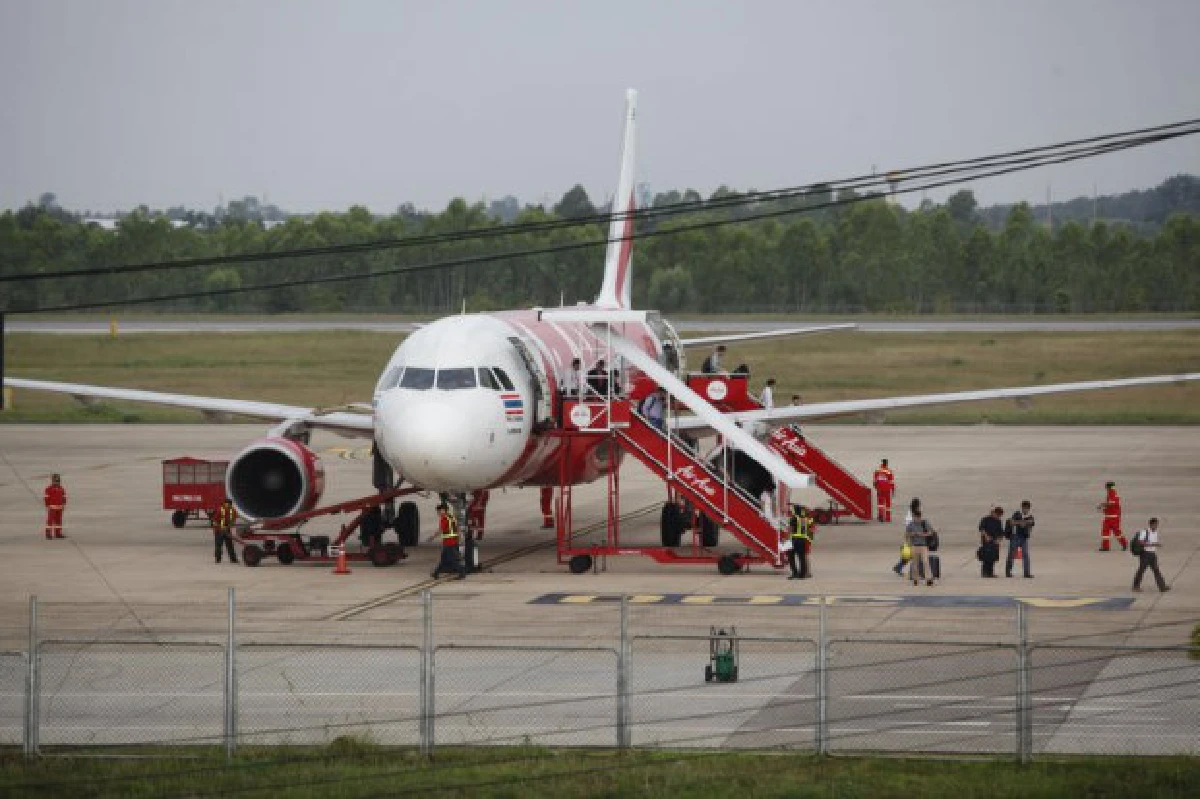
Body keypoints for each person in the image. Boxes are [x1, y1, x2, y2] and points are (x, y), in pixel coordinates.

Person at [1131, 517, 1170, 593]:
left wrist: (1155, 545)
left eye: (1157, 524)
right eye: (1155, 524)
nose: (1157, 526)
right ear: (1151, 524)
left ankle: (1162, 587)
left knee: (1156, 570)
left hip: (1152, 554)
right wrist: (1153, 544)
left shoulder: (1155, 532)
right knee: (1141, 570)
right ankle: (1135, 586)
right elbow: (1141, 542)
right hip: (1145, 554)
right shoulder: (1144, 532)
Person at [431, 502, 465, 579]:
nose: (438, 513)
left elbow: (440, 530)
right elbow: (458, 528)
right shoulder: (451, 517)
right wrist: (459, 538)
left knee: (453, 559)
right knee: (443, 559)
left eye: (439, 511)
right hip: (453, 541)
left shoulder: (444, 519)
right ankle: (436, 573)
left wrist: (432, 537)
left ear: (443, 510)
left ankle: (461, 572)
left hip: (449, 542)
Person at [1005, 500, 1035, 578]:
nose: (1026, 509)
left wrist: (1025, 523)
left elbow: (1032, 523)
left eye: (1027, 508)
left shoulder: (1030, 515)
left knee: (1025, 555)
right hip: (1015, 536)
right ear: (1022, 508)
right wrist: (1021, 522)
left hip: (1024, 538)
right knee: (1011, 554)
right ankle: (1008, 572)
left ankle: (1026, 573)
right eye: (1025, 508)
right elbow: (1011, 522)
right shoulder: (1017, 514)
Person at [1097, 481, 1128, 552]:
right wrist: (1104, 509)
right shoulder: (1112, 493)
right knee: (1105, 532)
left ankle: (1124, 544)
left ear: (1108, 487)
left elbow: (1111, 503)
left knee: (1116, 532)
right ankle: (1106, 547)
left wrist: (1102, 505)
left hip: (1113, 517)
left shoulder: (1112, 493)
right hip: (1110, 516)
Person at [906, 509, 935, 587]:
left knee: (925, 561)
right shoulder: (911, 525)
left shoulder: (925, 523)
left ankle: (928, 579)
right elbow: (907, 534)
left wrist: (923, 534)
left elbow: (931, 532)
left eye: (918, 518)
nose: (917, 519)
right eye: (915, 518)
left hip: (923, 546)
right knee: (915, 563)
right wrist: (912, 534)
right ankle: (916, 579)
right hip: (914, 546)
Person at [893, 497, 921, 575]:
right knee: (913, 555)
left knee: (909, 555)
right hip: (912, 536)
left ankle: (898, 567)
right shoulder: (912, 515)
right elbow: (910, 527)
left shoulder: (910, 513)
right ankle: (912, 572)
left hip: (911, 536)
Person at [787, 504, 813, 579]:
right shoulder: (804, 519)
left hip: (794, 539)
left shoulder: (794, 518)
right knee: (801, 557)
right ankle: (802, 575)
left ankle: (794, 573)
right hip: (803, 539)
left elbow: (790, 530)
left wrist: (786, 539)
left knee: (791, 557)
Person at [978, 506, 1005, 578]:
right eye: (998, 515)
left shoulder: (999, 521)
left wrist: (999, 539)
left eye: (1000, 516)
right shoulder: (985, 519)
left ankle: (991, 573)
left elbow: (1001, 532)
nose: (998, 517)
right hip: (986, 541)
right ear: (994, 513)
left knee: (993, 558)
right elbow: (982, 528)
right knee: (986, 557)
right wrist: (986, 536)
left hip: (995, 542)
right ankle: (984, 573)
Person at [212, 498, 239, 565]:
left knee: (224, 545)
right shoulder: (231, 511)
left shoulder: (222, 510)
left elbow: (214, 521)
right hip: (220, 530)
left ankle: (219, 559)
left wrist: (226, 527)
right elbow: (215, 522)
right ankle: (231, 559)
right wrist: (222, 527)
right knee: (225, 545)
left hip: (223, 530)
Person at [43, 473, 67, 540]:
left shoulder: (61, 489)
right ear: (52, 481)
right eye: (55, 481)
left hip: (59, 507)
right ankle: (48, 534)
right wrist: (47, 505)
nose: (57, 482)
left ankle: (58, 533)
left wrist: (63, 504)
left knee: (58, 521)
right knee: (50, 521)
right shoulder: (48, 489)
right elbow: (46, 498)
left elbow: (64, 497)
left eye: (58, 481)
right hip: (52, 507)